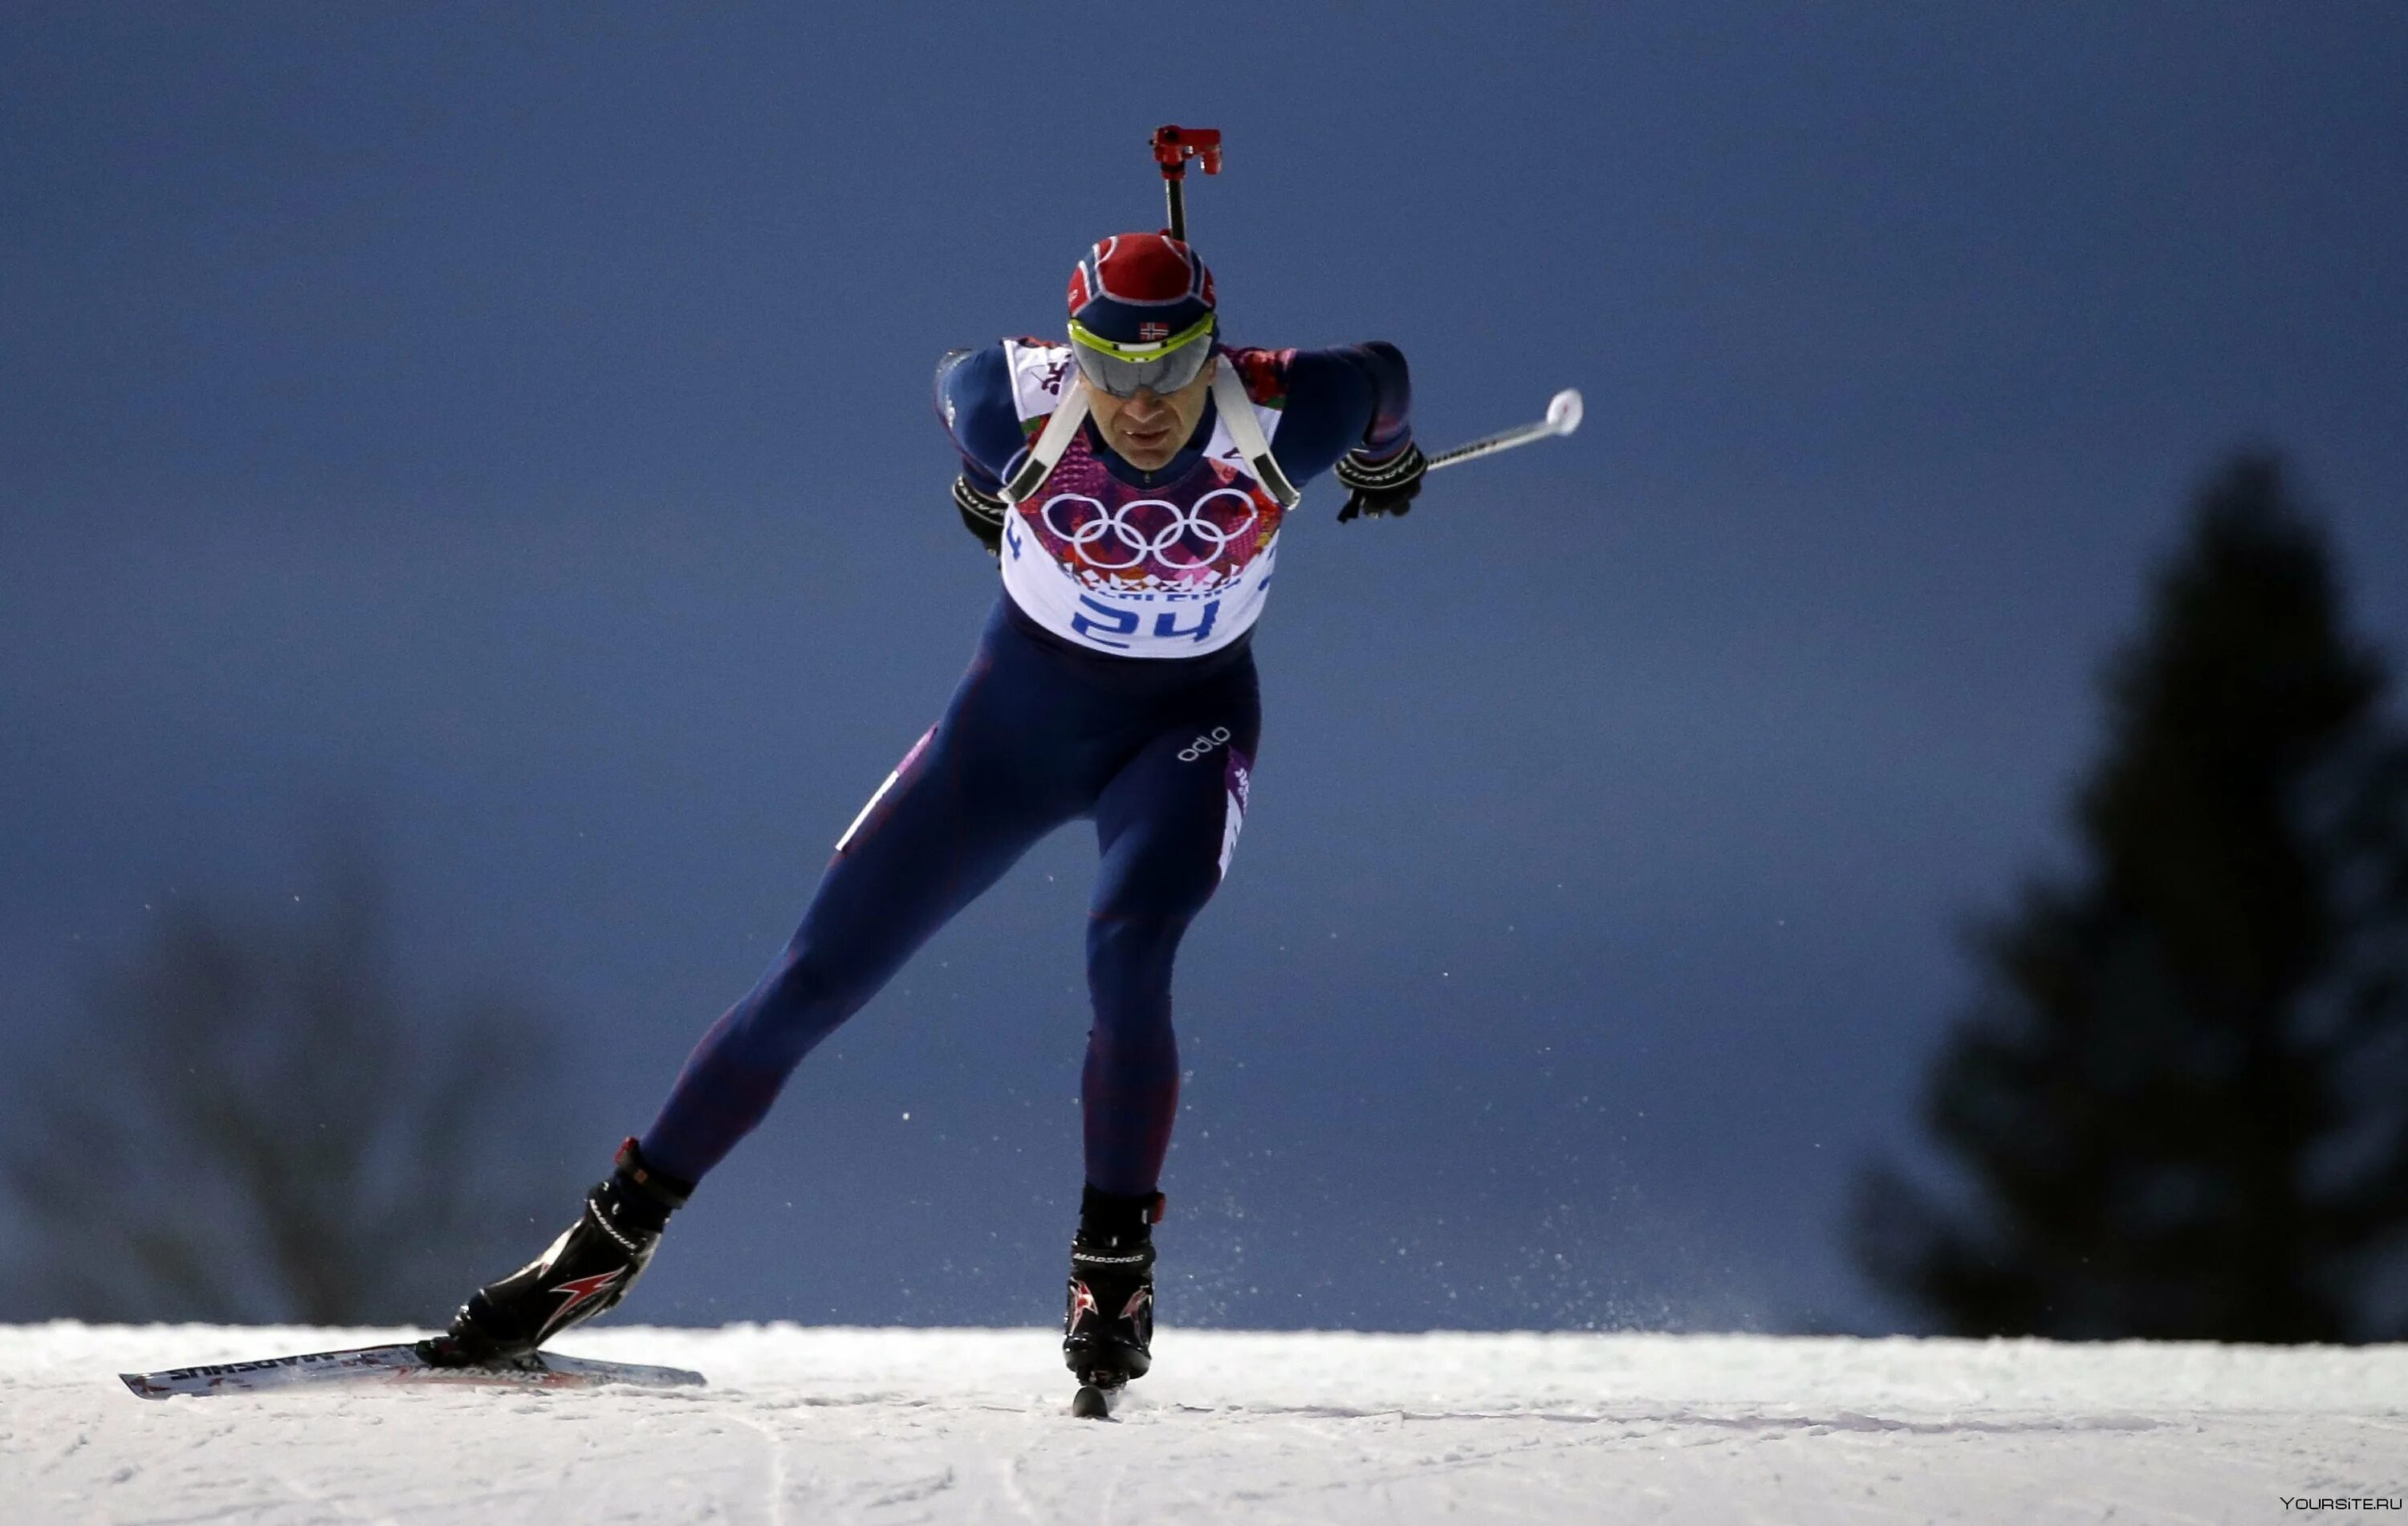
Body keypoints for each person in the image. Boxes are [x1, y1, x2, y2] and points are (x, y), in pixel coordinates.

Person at [421, 231, 1425, 1395]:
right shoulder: (1016, 406)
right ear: (1071, 354)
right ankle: (600, 1247)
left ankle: (1113, 1262)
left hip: (1182, 734)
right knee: (812, 978)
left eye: (1173, 369)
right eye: (1114, 368)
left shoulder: (1292, 410)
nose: (1144, 403)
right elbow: (955, 375)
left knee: (1128, 946)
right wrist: (981, 473)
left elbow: (1384, 372)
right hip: (1009, 737)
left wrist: (1384, 456)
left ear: (1218, 351)